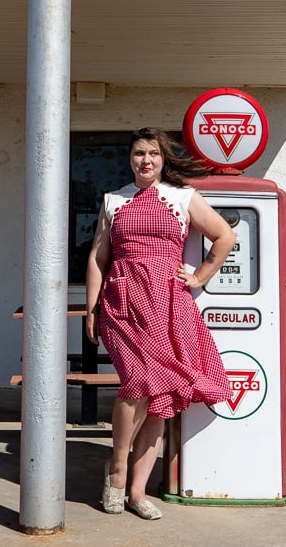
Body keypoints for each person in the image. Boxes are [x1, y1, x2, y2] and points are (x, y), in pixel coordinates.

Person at [84, 127, 237, 519]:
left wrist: (200, 277)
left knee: (160, 399)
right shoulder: (113, 199)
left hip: (169, 305)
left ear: (163, 159)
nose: (145, 160)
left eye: (153, 153)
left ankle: (137, 492)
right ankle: (116, 472)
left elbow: (224, 236)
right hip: (123, 303)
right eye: (138, 153)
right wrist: (92, 307)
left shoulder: (182, 197)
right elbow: (99, 258)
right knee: (136, 383)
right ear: (130, 158)